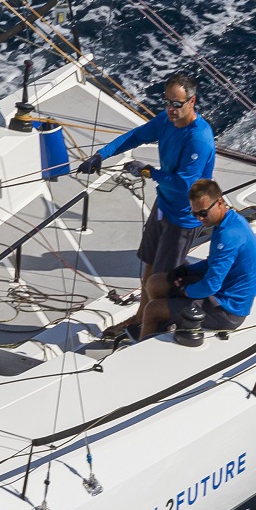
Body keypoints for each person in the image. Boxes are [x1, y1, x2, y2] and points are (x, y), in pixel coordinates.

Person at [75, 72, 217, 324]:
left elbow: (185, 184)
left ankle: (152, 322)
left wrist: (148, 172)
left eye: (177, 104)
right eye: (167, 102)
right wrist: (100, 155)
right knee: (149, 269)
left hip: (183, 218)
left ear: (192, 102)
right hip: (163, 206)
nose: (170, 109)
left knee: (160, 281)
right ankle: (140, 318)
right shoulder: (166, 120)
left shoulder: (198, 139)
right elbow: (135, 136)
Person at [138, 178, 256, 344]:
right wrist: (186, 271)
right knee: (156, 282)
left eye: (203, 213)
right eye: (194, 214)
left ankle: (147, 343)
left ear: (219, 202)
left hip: (226, 310)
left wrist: (184, 291)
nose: (199, 219)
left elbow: (211, 285)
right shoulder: (229, 221)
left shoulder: (228, 235)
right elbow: (212, 263)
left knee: (152, 310)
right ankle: (163, 325)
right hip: (219, 294)